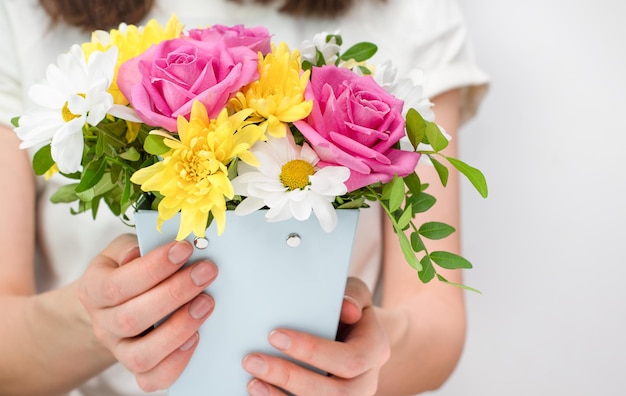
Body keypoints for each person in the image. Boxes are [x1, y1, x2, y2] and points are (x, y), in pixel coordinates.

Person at [0, 0, 488, 394]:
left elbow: (435, 323)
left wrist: (364, 359)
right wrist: (98, 320)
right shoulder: (20, 15)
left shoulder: (410, 10)